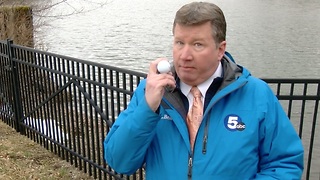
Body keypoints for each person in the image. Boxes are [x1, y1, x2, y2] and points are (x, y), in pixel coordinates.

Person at [104, 2, 304, 179]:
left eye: (197, 44)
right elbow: (120, 162)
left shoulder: (256, 95)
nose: (184, 55)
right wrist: (147, 109)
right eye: (179, 42)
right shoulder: (151, 92)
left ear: (220, 49)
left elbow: (283, 164)